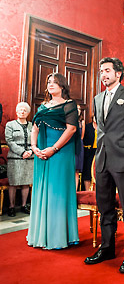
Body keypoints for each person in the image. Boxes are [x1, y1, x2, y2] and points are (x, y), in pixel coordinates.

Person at [84, 57, 124, 273]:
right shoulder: (97, 98)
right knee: (105, 207)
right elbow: (100, 130)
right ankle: (107, 247)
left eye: (107, 71)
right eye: (101, 71)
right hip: (102, 159)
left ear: (118, 73)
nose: (103, 74)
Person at [27, 73, 80, 249]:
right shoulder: (42, 106)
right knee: (42, 190)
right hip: (41, 153)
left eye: (55, 82)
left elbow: (71, 129)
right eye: (49, 82)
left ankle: (58, 237)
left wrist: (54, 149)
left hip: (60, 153)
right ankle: (40, 235)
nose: (51, 85)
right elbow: (35, 127)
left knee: (57, 192)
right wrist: (34, 147)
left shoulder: (69, 105)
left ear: (62, 86)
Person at [5, 102, 34, 217]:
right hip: (15, 158)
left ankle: (23, 205)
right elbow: (9, 140)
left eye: (24, 110)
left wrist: (30, 151)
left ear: (28, 113)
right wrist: (22, 152)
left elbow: (36, 140)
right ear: (16, 112)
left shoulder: (32, 125)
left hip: (29, 157)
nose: (22, 112)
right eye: (20, 110)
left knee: (26, 183)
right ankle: (11, 207)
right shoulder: (10, 125)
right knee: (13, 183)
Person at [81, 117, 97, 191]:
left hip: (99, 152)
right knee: (87, 171)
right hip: (88, 152)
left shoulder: (102, 127)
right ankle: (87, 191)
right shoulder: (87, 127)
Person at [75, 104, 85, 190]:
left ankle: (75, 191)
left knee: (76, 171)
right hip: (70, 145)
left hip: (79, 146)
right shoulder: (68, 120)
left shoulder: (82, 122)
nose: (77, 110)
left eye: (79, 109)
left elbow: (82, 136)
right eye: (76, 108)